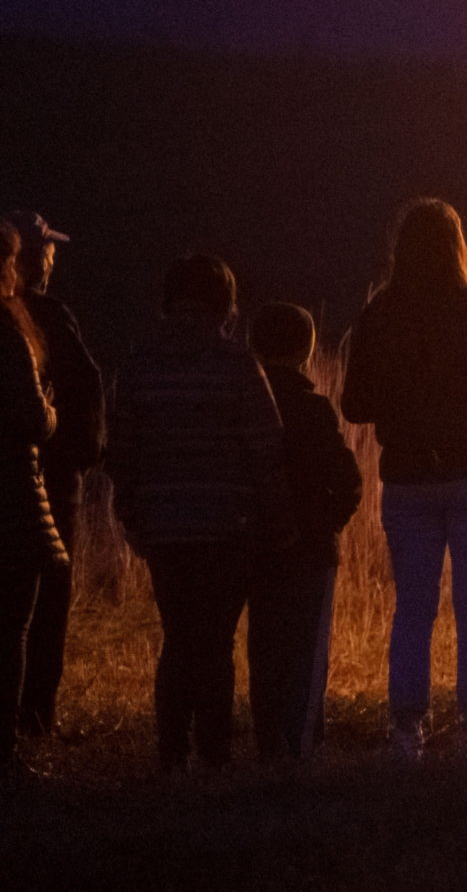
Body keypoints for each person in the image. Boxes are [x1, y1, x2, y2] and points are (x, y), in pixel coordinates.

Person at [340, 200, 467, 763]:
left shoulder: (379, 315)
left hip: (409, 479)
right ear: (458, 246)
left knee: (413, 608)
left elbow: (353, 405)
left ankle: (407, 731)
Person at [105, 255, 291, 773]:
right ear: (224, 303)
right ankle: (214, 752)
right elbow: (265, 449)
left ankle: (171, 752)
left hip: (164, 528)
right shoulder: (236, 364)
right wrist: (273, 520)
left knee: (178, 634)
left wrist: (133, 515)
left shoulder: (140, 364)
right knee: (214, 640)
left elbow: (120, 453)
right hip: (226, 526)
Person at [244, 303, 362, 763]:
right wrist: (330, 523)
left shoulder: (245, 405)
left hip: (258, 545)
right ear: (306, 349)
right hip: (313, 548)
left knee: (264, 643)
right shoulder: (313, 408)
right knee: (307, 649)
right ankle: (303, 740)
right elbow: (348, 478)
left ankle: (268, 738)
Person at [6, 211, 100, 745]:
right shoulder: (41, 318)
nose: (52, 257)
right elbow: (83, 394)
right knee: (44, 603)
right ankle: (34, 718)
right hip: (45, 485)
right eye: (46, 248)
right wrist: (80, 455)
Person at [1, 222, 68, 781]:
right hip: (9, 501)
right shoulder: (7, 331)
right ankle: (5, 751)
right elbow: (29, 418)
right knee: (9, 629)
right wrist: (48, 407)